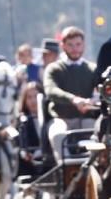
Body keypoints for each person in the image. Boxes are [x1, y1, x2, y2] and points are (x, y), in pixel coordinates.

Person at [43, 26, 100, 159]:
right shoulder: (54, 68)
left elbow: (101, 90)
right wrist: (73, 99)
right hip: (61, 118)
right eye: (70, 45)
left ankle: (95, 169)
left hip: (87, 119)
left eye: (78, 44)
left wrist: (94, 100)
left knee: (100, 135)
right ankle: (67, 170)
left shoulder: (93, 69)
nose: (75, 48)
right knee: (58, 135)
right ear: (63, 46)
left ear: (83, 45)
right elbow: (51, 90)